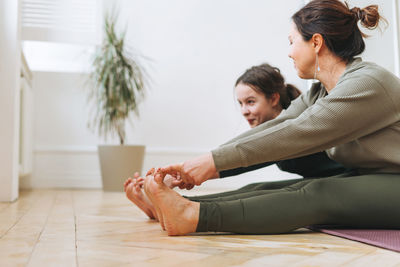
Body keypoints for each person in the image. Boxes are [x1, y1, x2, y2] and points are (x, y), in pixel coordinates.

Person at [144, 0, 400, 236]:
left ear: (316, 43)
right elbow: (277, 126)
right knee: (267, 189)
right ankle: (178, 206)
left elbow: (299, 131)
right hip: (377, 179)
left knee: (319, 192)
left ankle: (192, 216)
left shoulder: (368, 83)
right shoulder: (319, 91)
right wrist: (201, 164)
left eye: (292, 41)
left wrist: (213, 162)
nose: (289, 52)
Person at [124, 63, 347, 219]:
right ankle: (167, 207)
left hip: (345, 182)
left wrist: (182, 175)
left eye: (250, 102)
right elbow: (237, 157)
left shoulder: (292, 125)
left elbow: (244, 160)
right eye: (240, 103)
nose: (244, 111)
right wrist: (177, 175)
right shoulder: (271, 130)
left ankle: (173, 207)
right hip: (326, 183)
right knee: (257, 188)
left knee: (259, 190)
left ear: (273, 98)